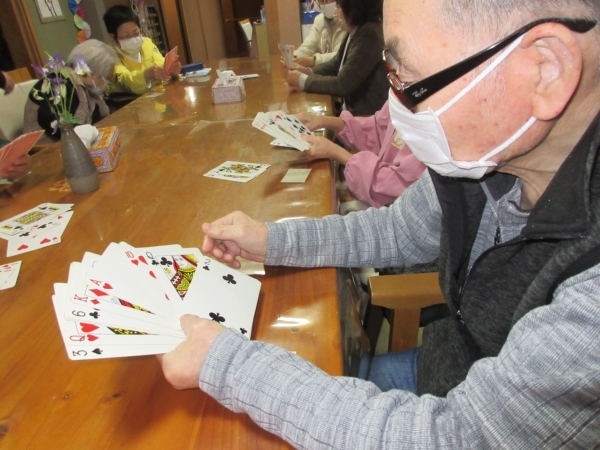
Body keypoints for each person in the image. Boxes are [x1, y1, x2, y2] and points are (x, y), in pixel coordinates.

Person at [159, 0, 600, 447]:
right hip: (445, 370)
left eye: (409, 82)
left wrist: (230, 365)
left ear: (545, 69)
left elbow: (457, 437)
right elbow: (398, 230)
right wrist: (272, 238)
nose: (396, 106)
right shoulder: (486, 154)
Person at [297, 102, 425, 208]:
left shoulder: (431, 131)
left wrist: (334, 152)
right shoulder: (403, 95)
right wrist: (322, 120)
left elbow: (388, 186)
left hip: (398, 211)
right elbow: (377, 129)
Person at [286, 0, 388, 117]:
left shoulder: (369, 34)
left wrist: (302, 80)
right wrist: (308, 71)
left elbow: (342, 84)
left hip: (366, 118)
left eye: (339, 5)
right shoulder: (356, 30)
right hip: (352, 113)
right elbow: (336, 64)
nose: (336, 9)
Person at [23, 39, 117, 139]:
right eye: (107, 78)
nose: (107, 83)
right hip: (52, 146)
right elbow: (60, 131)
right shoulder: (56, 85)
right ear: (92, 73)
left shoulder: (85, 87)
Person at [103, 5, 181, 96]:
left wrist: (171, 70)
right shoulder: (108, 54)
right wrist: (146, 74)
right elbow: (125, 81)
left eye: (136, 33)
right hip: (126, 100)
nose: (133, 39)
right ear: (112, 37)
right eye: (126, 36)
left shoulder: (146, 43)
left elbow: (161, 63)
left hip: (155, 95)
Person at [293, 0, 347, 67]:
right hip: (325, 71)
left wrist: (313, 60)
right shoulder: (319, 20)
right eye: (321, 1)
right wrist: (294, 57)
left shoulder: (348, 21)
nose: (325, 3)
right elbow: (308, 46)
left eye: (328, 0)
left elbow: (342, 56)